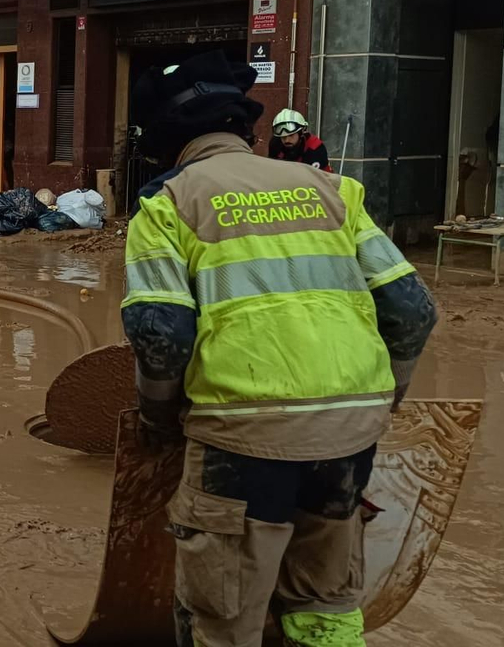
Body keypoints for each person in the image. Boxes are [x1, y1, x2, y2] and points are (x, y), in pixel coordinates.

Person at [121, 51, 436, 647]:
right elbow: (413, 311)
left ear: (161, 139)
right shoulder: (333, 187)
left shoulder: (166, 205)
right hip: (350, 437)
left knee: (223, 616)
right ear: (245, 126)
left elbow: (159, 333)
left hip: (240, 438)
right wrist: (380, 399)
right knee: (326, 602)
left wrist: (157, 419)